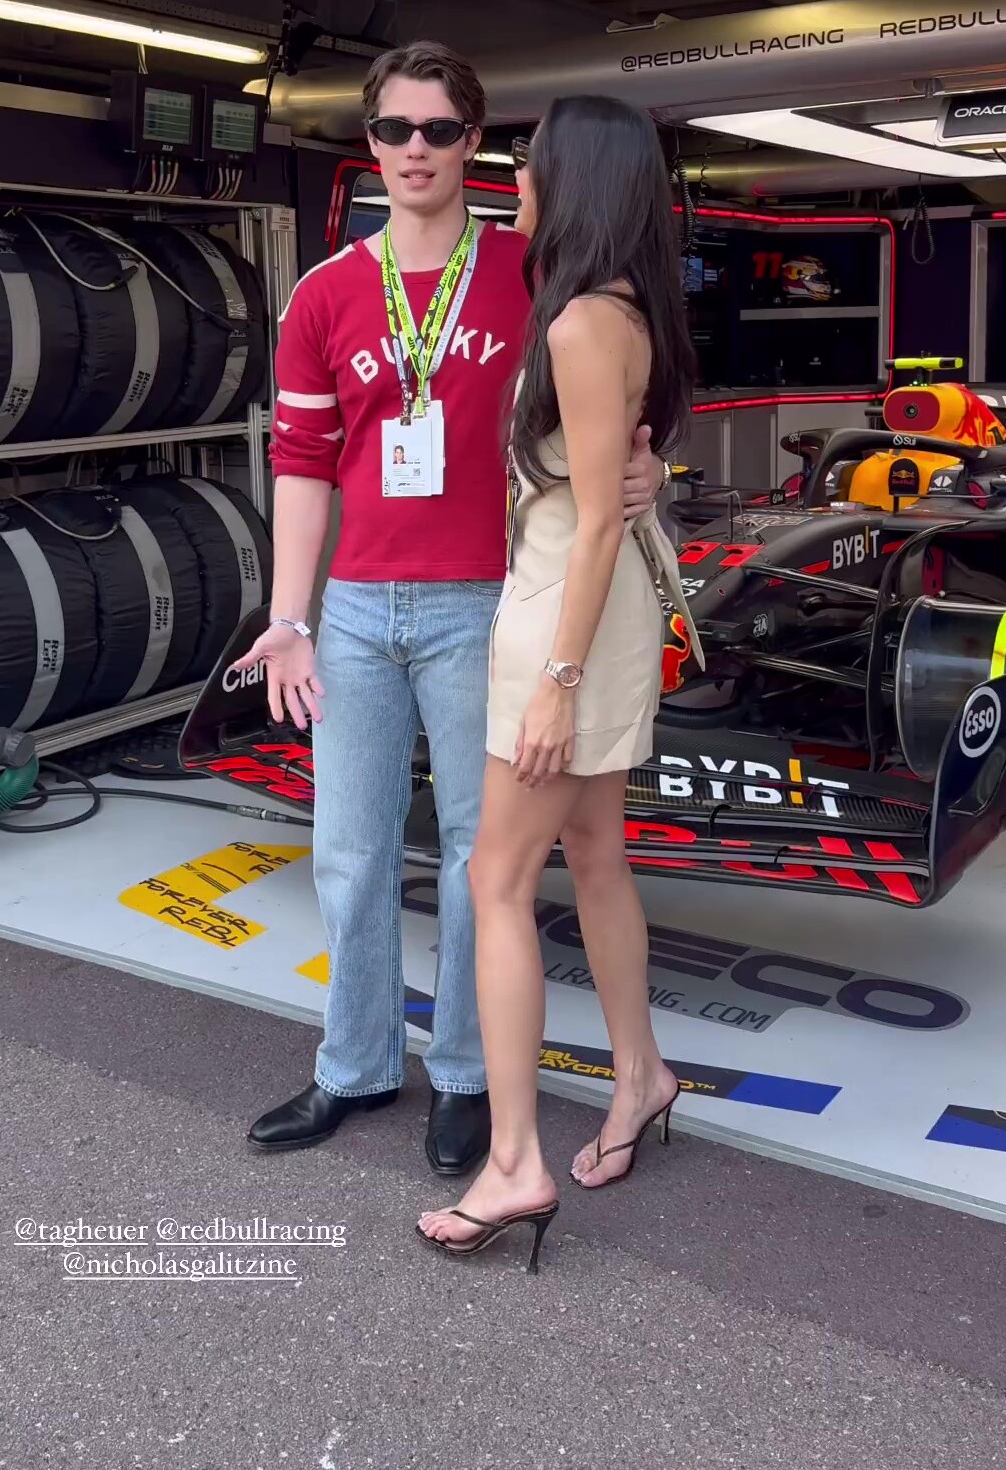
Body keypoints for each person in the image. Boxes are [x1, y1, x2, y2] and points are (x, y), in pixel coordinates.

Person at [231, 44, 670, 1179]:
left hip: (494, 598)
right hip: (358, 607)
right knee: (349, 851)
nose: (414, 150)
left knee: (488, 860)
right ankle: (355, 1065)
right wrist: (291, 616)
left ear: (474, 141)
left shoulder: (537, 270)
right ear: (368, 142)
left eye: (438, 130)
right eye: (394, 130)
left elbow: (628, 382)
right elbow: (302, 463)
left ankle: (470, 1076)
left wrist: (650, 466)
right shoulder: (326, 291)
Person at [417, 94, 701, 1269]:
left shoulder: (583, 320)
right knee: (593, 854)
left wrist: (557, 682)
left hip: (564, 618)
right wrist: (647, 478)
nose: (516, 181)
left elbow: (587, 523)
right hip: (600, 606)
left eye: (529, 165)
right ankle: (640, 1077)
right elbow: (619, 480)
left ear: (573, 180)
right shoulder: (625, 308)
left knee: (494, 880)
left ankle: (514, 1162)